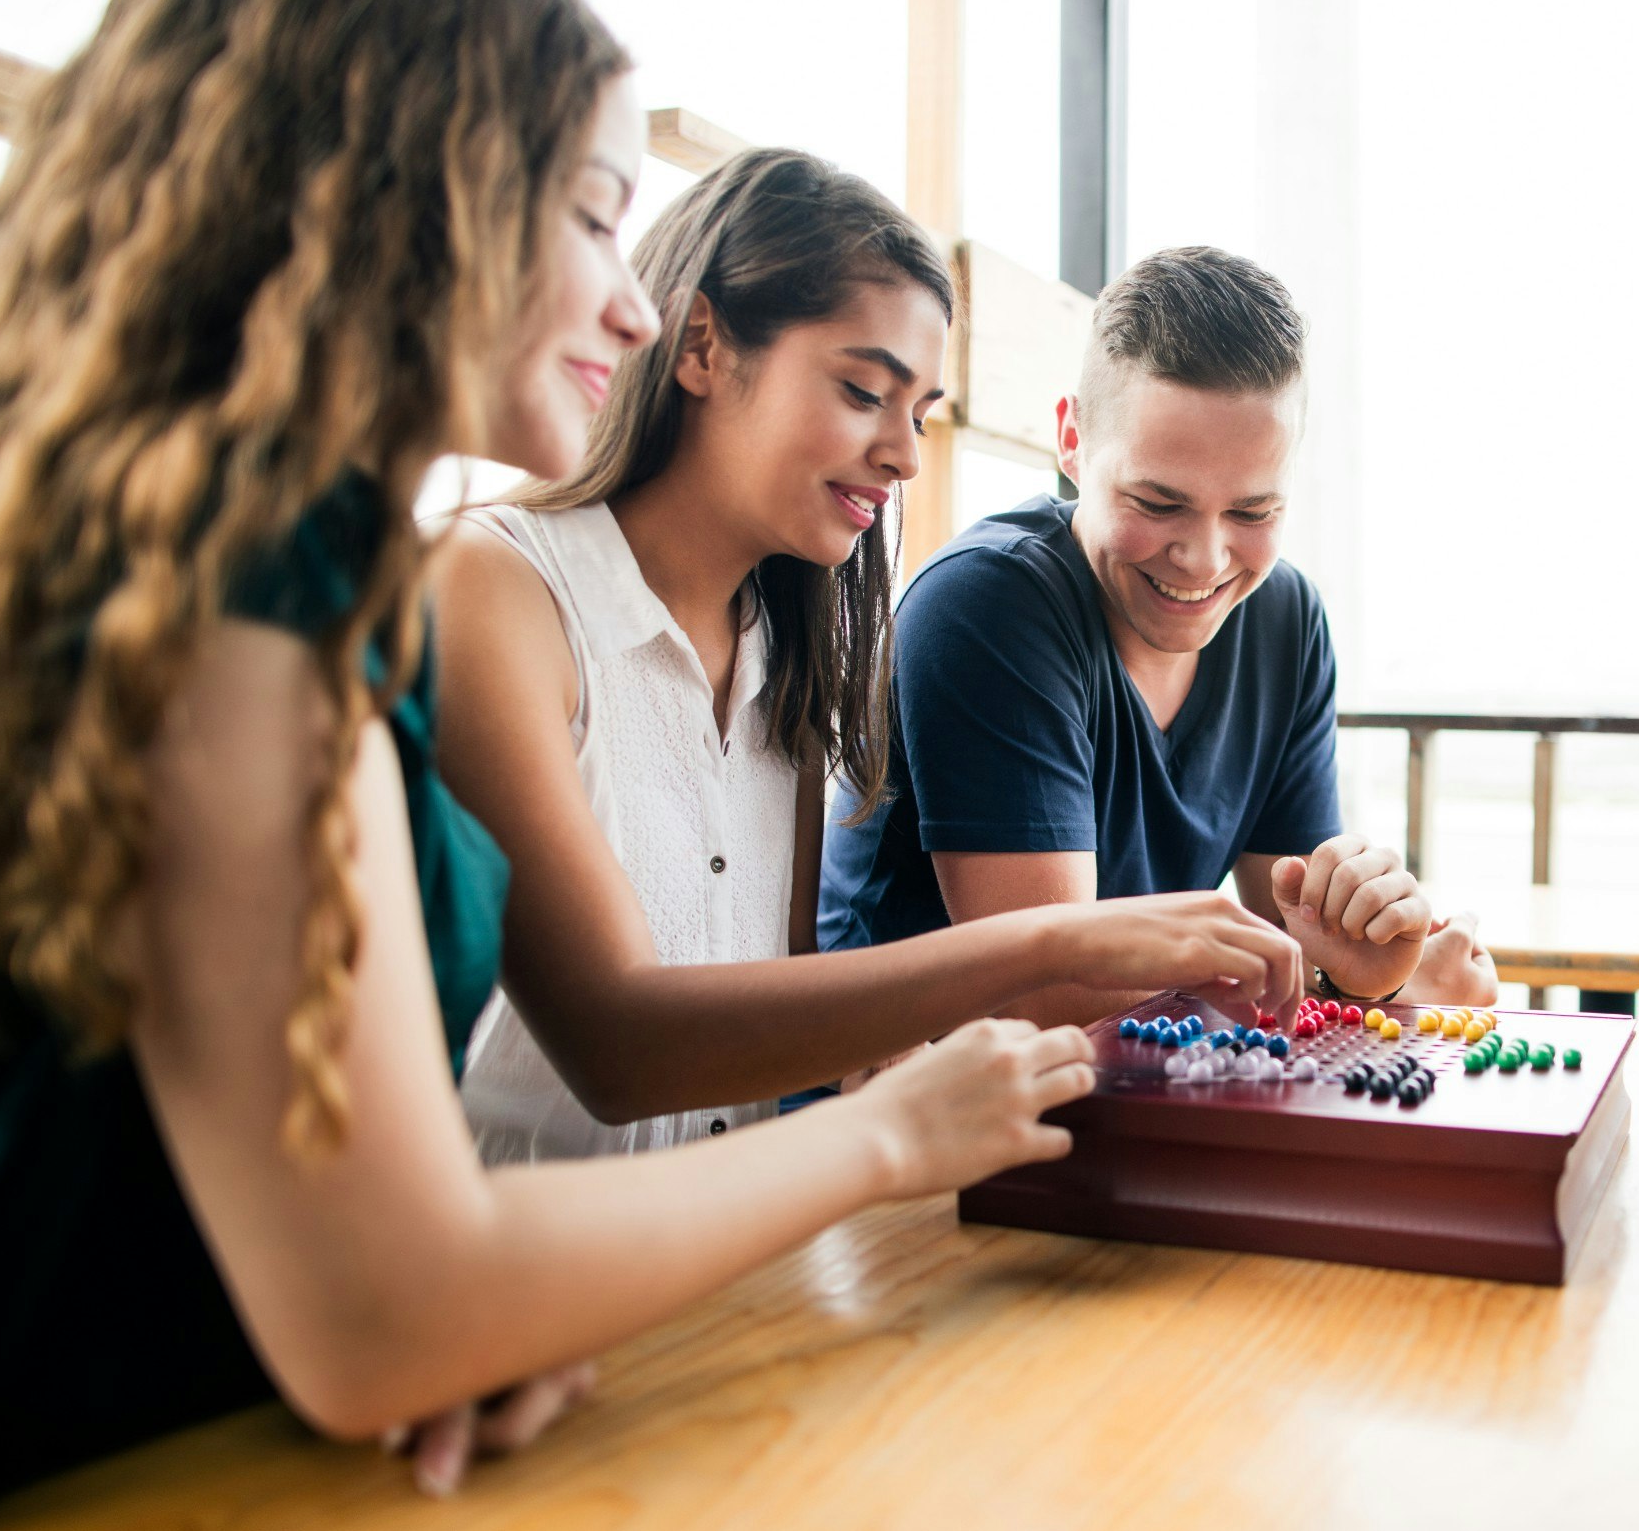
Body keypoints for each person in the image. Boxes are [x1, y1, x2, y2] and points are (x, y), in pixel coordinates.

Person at [0, 0, 1099, 1502]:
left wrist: (486, 1310)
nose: (631, 308)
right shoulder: (251, 624)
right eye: (592, 215)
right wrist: (896, 1134)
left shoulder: (280, 581)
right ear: (392, 198)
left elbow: (344, 1245)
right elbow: (390, 1294)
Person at [429, 150, 1301, 1162]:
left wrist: (894, 1056)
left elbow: (786, 1005)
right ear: (701, 345)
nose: (905, 453)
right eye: (862, 391)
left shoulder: (790, 645)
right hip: (518, 1268)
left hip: (733, 1253)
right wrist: (1056, 941)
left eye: (920, 410)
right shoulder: (496, 587)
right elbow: (620, 1046)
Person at [816, 246, 1499, 1022]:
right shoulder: (984, 605)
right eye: (1158, 501)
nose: (1204, 560)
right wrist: (1358, 992)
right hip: (903, 1110)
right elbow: (1046, 994)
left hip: (1124, 1104)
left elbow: (1295, 944)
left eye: (1252, 512)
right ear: (1072, 441)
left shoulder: (1285, 620)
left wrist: (1369, 972)